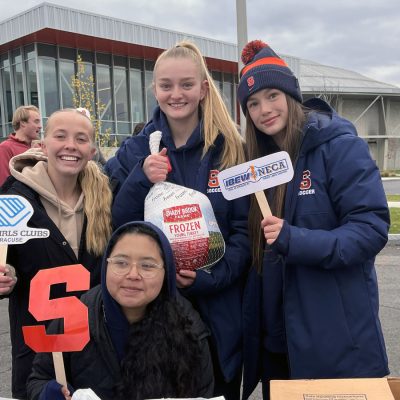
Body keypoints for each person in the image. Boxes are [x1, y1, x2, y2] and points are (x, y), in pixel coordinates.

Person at [237, 40, 391, 399]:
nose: (264, 110)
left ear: (291, 95)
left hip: (335, 342)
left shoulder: (339, 146)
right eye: (253, 104)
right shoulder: (258, 163)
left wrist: (294, 239)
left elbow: (370, 231)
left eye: (272, 95)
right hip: (277, 345)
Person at [106, 41, 250, 400]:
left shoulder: (232, 147)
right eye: (166, 85)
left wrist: (211, 277)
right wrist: (141, 177)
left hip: (219, 311)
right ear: (154, 89)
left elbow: (245, 232)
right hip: (154, 313)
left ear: (204, 88)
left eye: (186, 84)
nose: (176, 94)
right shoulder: (137, 149)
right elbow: (120, 225)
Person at [26, 221, 214, 400]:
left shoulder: (187, 324)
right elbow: (39, 378)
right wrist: (50, 393)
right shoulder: (75, 315)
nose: (133, 275)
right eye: (121, 263)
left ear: (167, 272)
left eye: (147, 266)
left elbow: (203, 392)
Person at [0, 108, 112, 399]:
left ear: (92, 149)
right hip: (37, 347)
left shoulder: (106, 198)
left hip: (93, 344)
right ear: (43, 144)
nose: (70, 145)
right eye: (60, 136)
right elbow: (6, 261)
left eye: (81, 138)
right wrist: (5, 276)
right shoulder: (12, 198)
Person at [0, 105, 42, 186]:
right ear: (23, 123)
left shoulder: (40, 147)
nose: (40, 126)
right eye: (36, 121)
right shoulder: (5, 148)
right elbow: (4, 184)